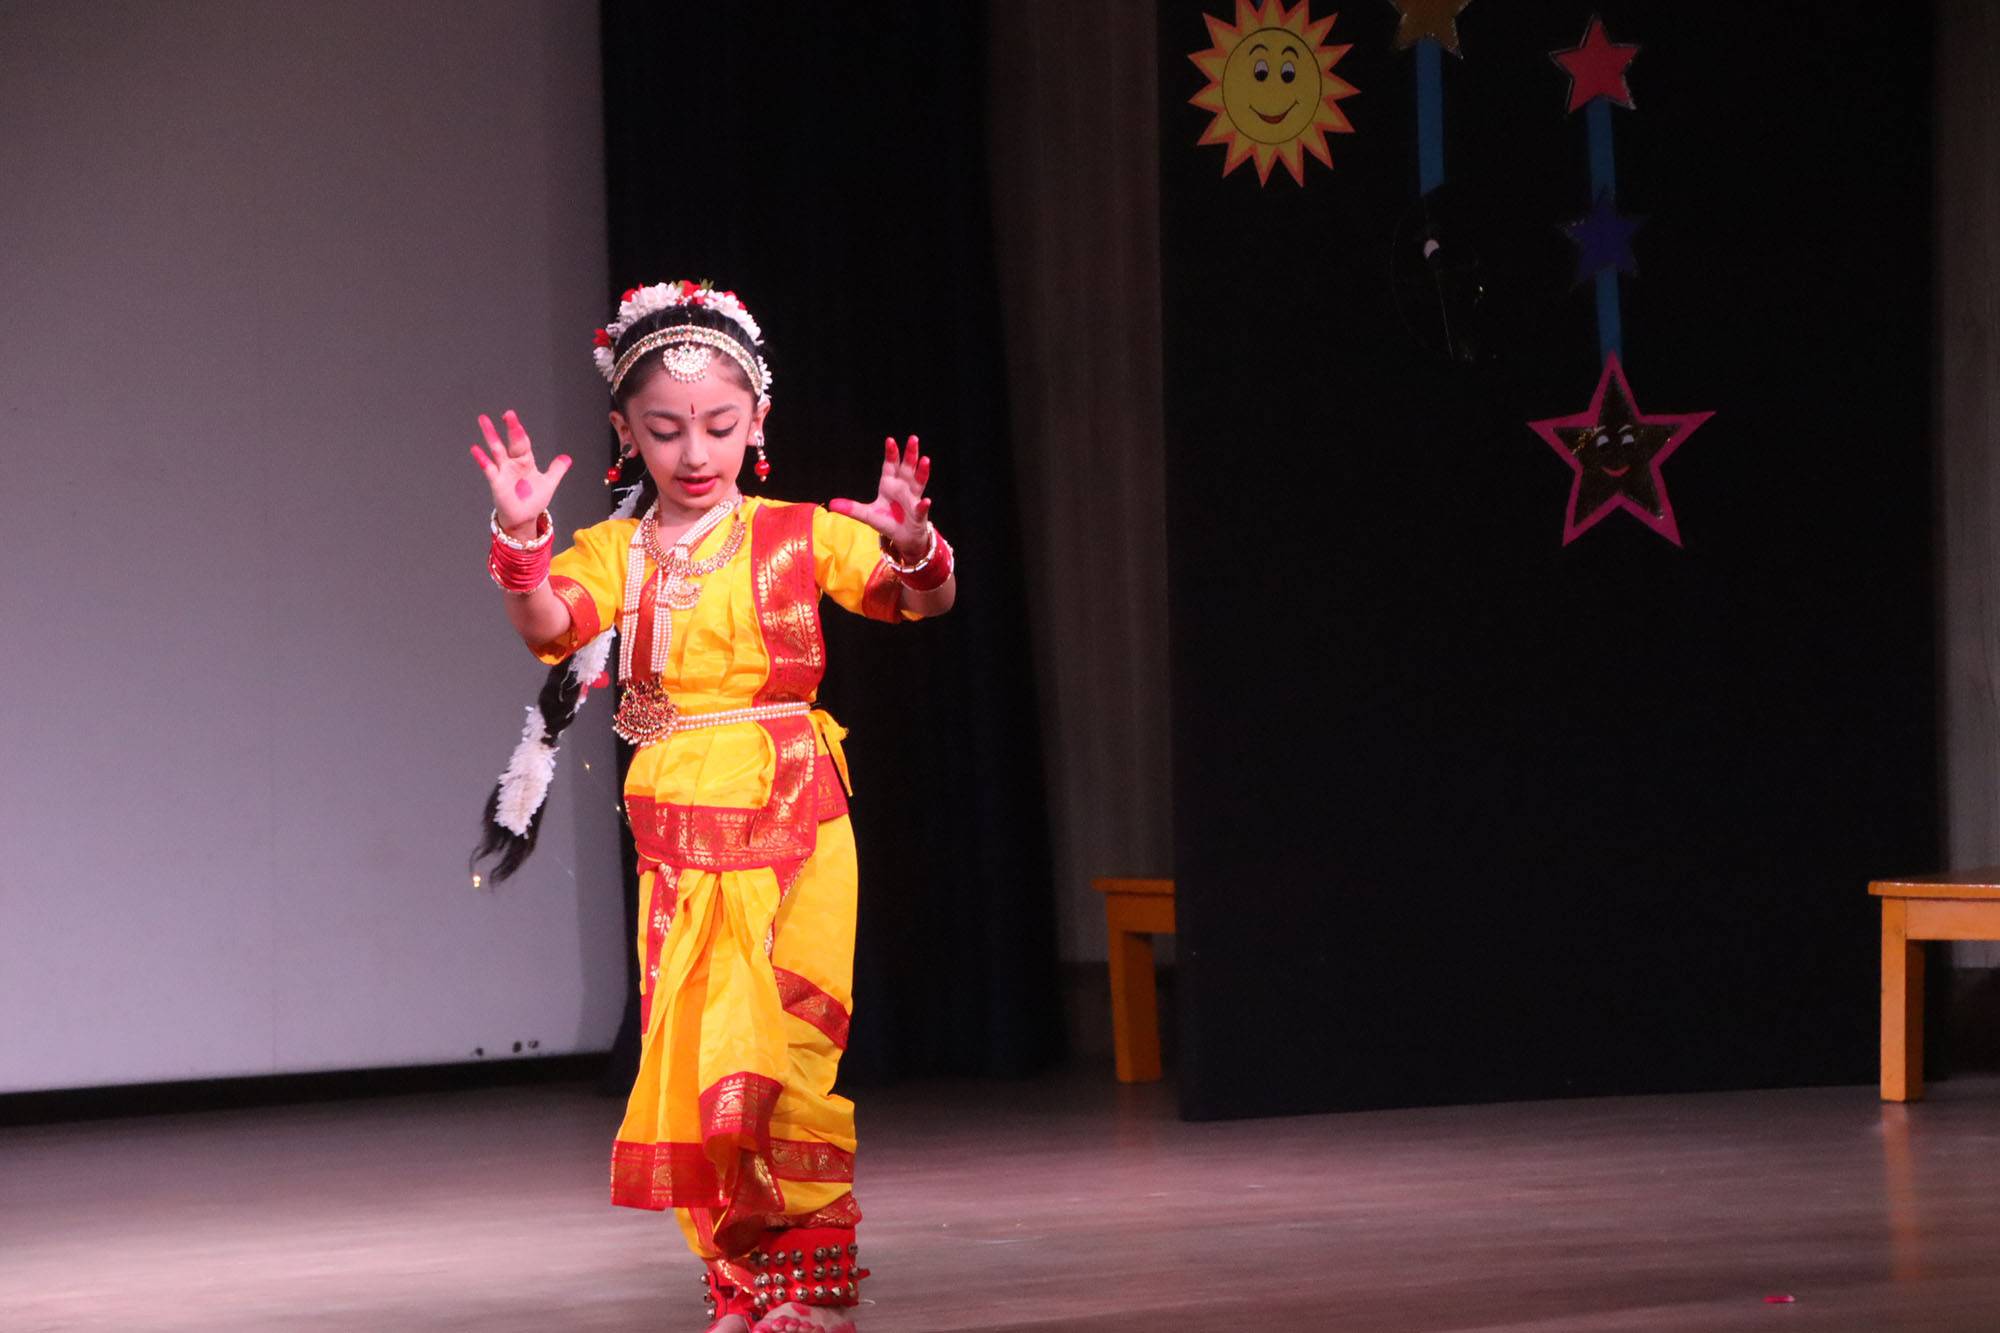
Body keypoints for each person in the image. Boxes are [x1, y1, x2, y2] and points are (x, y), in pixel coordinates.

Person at [469, 280, 955, 1332]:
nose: (695, 452)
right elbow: (550, 625)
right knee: (702, 1055)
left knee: (788, 1047)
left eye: (720, 426)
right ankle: (741, 1280)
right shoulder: (615, 553)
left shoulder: (797, 534)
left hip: (797, 818)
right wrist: (520, 537)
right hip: (682, 833)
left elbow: (918, 601)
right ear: (624, 432)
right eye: (665, 430)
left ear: (757, 420)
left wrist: (914, 544)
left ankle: (811, 1287)